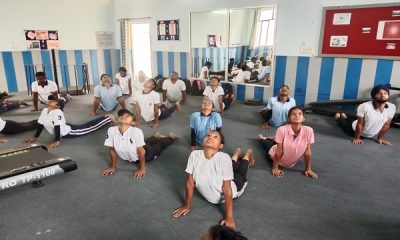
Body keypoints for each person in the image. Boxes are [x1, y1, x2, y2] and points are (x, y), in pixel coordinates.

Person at [173, 131, 255, 229]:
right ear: (203, 142)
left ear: (220, 146)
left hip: (235, 185)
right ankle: (237, 152)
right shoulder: (194, 155)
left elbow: (227, 189)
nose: (211, 137)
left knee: (241, 171)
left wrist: (229, 217)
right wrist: (187, 205)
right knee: (231, 164)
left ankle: (248, 154)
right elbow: (190, 183)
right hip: (223, 172)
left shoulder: (224, 158)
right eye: (208, 136)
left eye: (215, 137)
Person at [101, 109, 177, 178]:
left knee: (160, 145)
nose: (124, 116)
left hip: (147, 154)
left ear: (133, 123)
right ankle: (155, 136)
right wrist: (113, 167)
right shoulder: (111, 130)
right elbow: (112, 149)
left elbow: (141, 151)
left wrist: (142, 169)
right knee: (145, 142)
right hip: (135, 151)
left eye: (128, 116)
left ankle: (171, 138)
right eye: (122, 115)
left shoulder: (136, 131)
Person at [26, 95, 115, 148]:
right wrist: (35, 137)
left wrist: (57, 140)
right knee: (86, 125)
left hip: (69, 132)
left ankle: (108, 118)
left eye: (53, 101)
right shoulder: (45, 110)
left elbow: (57, 127)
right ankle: (106, 118)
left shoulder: (57, 111)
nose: (50, 101)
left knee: (90, 127)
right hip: (65, 127)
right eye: (51, 100)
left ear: (57, 106)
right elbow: (41, 123)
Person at [257, 106, 318, 179]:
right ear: (289, 118)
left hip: (286, 146)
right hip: (274, 153)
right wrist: (275, 168)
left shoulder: (309, 130)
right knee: (265, 143)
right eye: (293, 114)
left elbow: (307, 152)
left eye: (300, 114)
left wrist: (308, 169)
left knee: (278, 140)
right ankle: (261, 138)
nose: (297, 116)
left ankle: (270, 138)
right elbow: (279, 151)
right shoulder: (282, 129)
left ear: (303, 118)